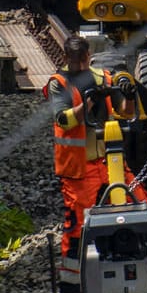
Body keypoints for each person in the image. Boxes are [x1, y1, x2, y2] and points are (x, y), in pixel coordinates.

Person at [43, 35, 115, 265]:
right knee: (78, 227)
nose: (79, 67)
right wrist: (86, 106)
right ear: (66, 59)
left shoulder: (102, 77)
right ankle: (73, 281)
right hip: (77, 169)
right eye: (74, 62)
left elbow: (122, 110)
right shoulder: (59, 83)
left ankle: (110, 262)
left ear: (88, 57)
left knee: (128, 207)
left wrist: (126, 92)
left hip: (107, 162)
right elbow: (62, 119)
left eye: (82, 61)